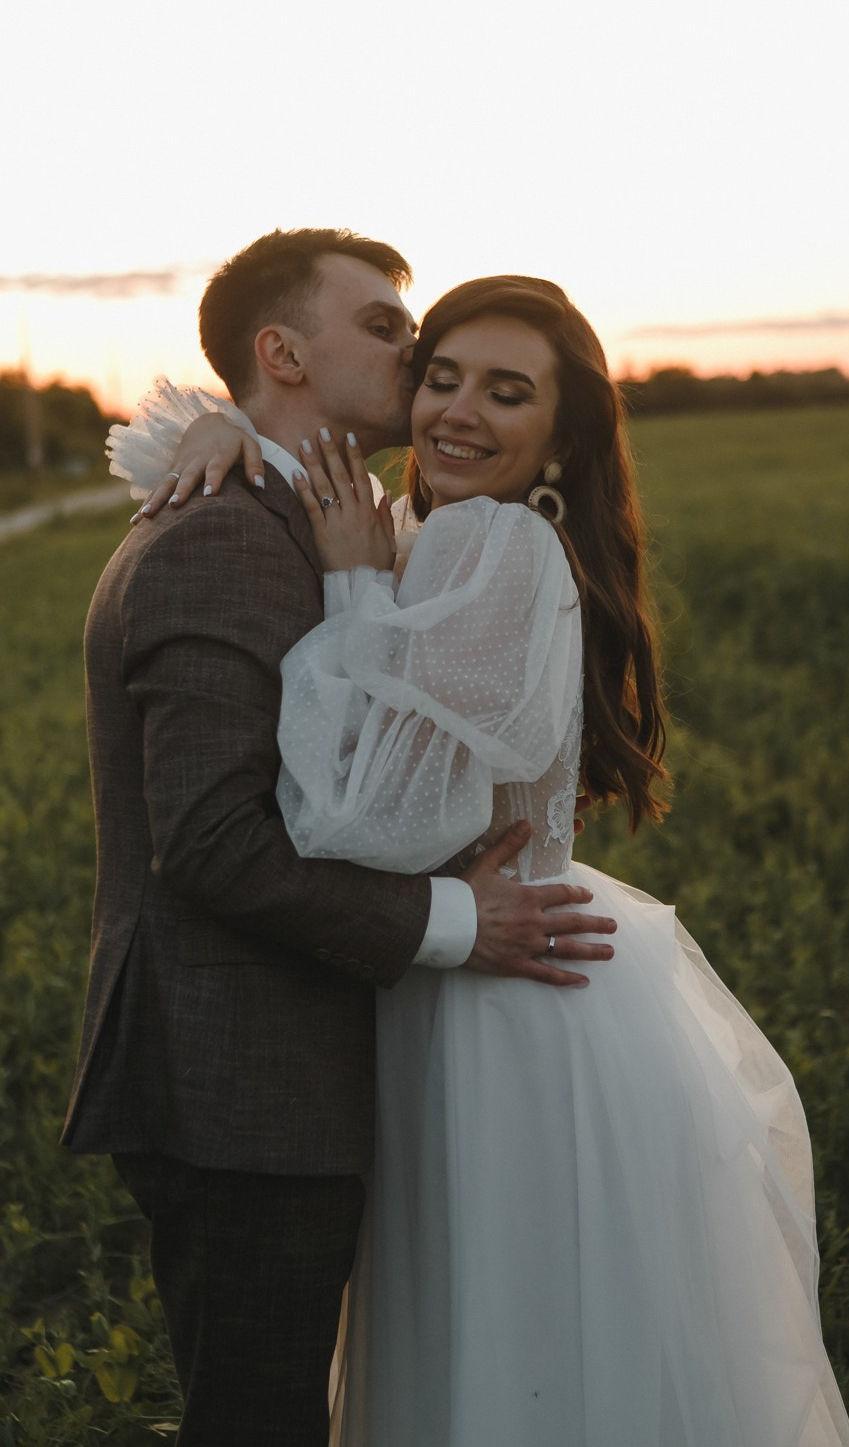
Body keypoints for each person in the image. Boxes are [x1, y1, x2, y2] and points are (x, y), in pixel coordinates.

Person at [123, 274, 849, 1445]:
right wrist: (233, 430)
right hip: (462, 986)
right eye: (441, 376)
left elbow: (363, 823)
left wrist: (354, 581)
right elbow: (213, 455)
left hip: (502, 1005)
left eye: (507, 394)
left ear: (560, 436)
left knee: (504, 1352)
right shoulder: (424, 527)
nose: (458, 410)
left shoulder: (491, 544)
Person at [63, 233, 616, 1447]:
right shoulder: (219, 530)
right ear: (282, 353)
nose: (414, 352)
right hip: (238, 1083)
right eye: (384, 328)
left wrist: (225, 427)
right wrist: (457, 919)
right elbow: (212, 843)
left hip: (288, 1070)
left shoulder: (313, 512)